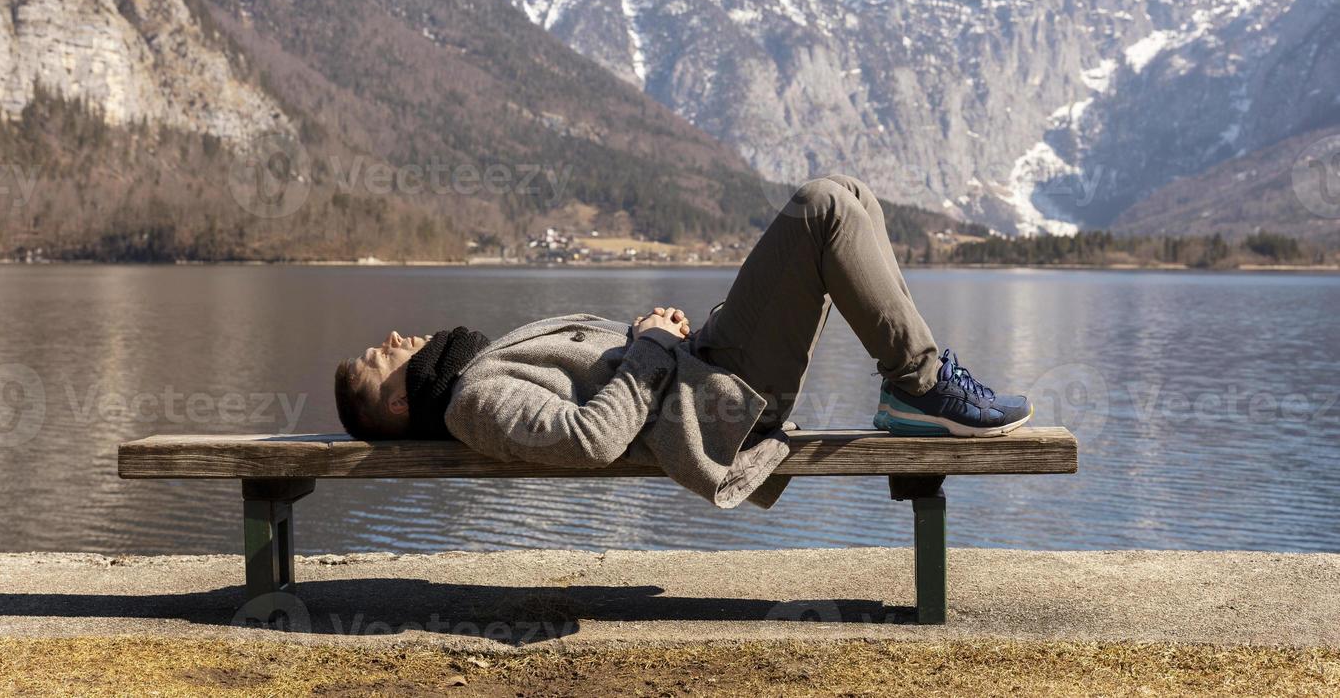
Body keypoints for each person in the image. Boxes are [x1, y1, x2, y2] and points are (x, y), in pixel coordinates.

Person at [335, 175, 1031, 509]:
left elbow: (607, 393)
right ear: (396, 406)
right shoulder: (474, 402)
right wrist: (648, 348)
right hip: (715, 403)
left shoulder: (478, 371)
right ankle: (920, 381)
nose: (392, 338)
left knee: (850, 197)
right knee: (822, 208)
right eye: (379, 358)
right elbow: (589, 440)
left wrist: (657, 339)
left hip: (702, 365)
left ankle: (914, 387)